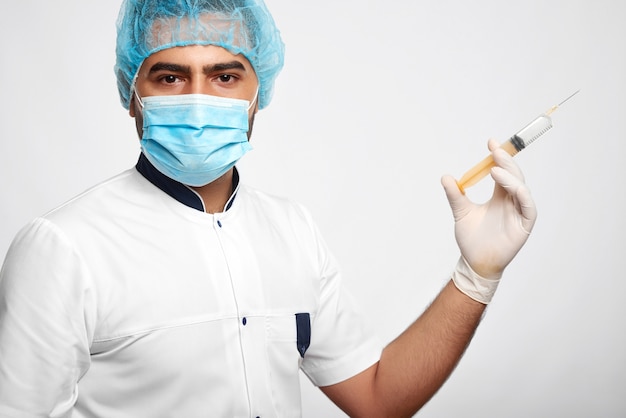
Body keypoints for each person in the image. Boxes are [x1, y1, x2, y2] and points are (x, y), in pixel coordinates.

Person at [0, 0, 537, 417]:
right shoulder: (63, 247)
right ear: (130, 91)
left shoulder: (291, 229)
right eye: (169, 76)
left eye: (225, 76)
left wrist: (476, 275)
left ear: (260, 91)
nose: (197, 98)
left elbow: (378, 400)